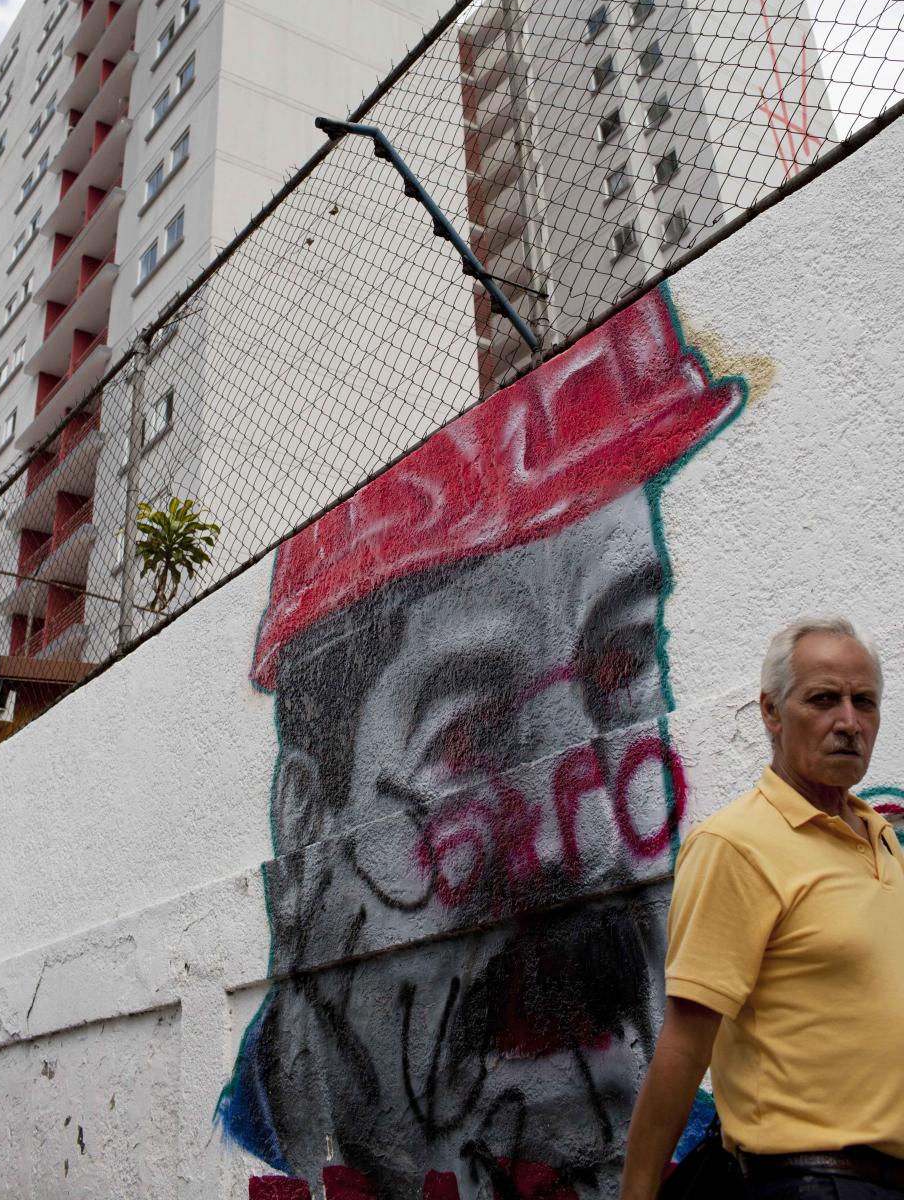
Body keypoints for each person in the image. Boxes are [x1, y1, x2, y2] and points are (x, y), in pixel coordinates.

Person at [217, 290, 744, 1199]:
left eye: (622, 666)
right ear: (307, 829)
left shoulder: (710, 1146)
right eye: (469, 732)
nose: (582, 840)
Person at [620, 615, 904, 1200]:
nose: (849, 722)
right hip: (812, 1183)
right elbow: (684, 1042)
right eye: (824, 700)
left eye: (865, 702)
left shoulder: (881, 837)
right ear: (771, 712)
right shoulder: (737, 845)